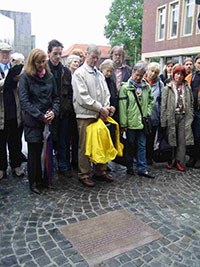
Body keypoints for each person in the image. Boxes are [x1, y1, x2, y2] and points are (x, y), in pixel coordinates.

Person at [19, 48, 59, 194]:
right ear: (32, 62)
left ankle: (45, 179)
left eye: (44, 62)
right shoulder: (25, 77)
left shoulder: (49, 76)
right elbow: (25, 102)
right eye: (39, 62)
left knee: (46, 152)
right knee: (34, 153)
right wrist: (41, 116)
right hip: (33, 121)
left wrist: (53, 112)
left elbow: (56, 97)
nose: (42, 65)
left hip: (48, 120)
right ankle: (34, 182)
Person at [72, 44, 113, 187]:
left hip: (99, 114)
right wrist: (100, 108)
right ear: (86, 55)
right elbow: (82, 97)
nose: (95, 60)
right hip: (85, 115)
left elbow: (106, 92)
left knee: (100, 142)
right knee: (85, 146)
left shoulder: (99, 74)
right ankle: (84, 174)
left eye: (98, 58)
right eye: (93, 57)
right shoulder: (79, 73)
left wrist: (106, 108)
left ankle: (100, 171)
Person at [119, 62, 155, 178]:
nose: (138, 77)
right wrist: (124, 123)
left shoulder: (146, 86)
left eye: (141, 75)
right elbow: (123, 107)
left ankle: (142, 168)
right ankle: (129, 166)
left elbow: (151, 101)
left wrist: (147, 112)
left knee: (142, 145)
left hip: (142, 121)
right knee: (130, 146)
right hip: (130, 122)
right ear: (133, 73)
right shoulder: (125, 88)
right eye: (137, 75)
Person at [47, 39, 78, 176]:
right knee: (49, 140)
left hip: (64, 112)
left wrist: (68, 109)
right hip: (48, 111)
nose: (58, 56)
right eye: (55, 53)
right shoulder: (44, 69)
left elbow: (71, 92)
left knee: (63, 140)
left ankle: (63, 165)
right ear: (49, 53)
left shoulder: (66, 71)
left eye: (60, 53)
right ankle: (47, 167)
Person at [161, 64, 194, 171]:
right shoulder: (168, 87)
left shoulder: (187, 87)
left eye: (181, 74)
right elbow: (163, 105)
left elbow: (191, 102)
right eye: (177, 74)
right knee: (171, 138)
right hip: (171, 116)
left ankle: (180, 161)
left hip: (183, 116)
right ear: (173, 75)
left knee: (182, 140)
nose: (179, 76)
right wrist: (163, 121)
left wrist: (191, 114)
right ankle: (171, 160)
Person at [0, 43, 25, 180]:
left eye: (8, 53)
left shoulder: (15, 68)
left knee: (15, 141)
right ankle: (1, 168)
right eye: (3, 53)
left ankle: (16, 165)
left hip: (14, 111)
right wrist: (7, 80)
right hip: (1, 113)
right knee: (0, 143)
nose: (5, 55)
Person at [144, 62, 164, 165]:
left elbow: (162, 101)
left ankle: (149, 156)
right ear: (148, 70)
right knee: (141, 138)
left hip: (154, 115)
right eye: (152, 71)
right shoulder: (141, 81)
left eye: (156, 72)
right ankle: (140, 157)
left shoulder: (160, 84)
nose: (153, 74)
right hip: (142, 115)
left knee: (151, 138)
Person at [185, 54, 200, 168]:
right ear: (195, 64)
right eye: (199, 63)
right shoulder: (190, 77)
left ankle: (198, 158)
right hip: (191, 110)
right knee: (191, 135)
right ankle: (191, 156)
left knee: (199, 135)